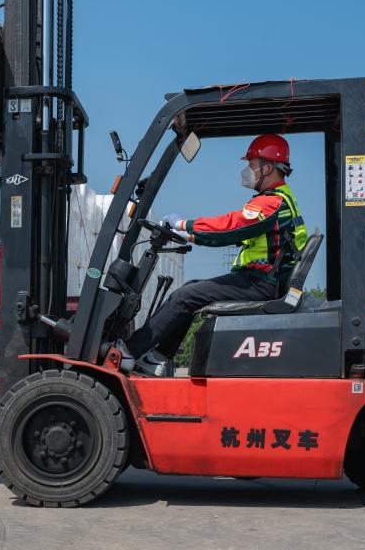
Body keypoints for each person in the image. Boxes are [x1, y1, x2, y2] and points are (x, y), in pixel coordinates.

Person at [123, 133, 308, 374]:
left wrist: (183, 224)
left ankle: (128, 353)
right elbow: (233, 235)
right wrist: (188, 235)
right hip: (262, 280)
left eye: (251, 165)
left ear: (268, 168)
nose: (247, 171)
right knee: (189, 288)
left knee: (184, 296)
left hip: (260, 282)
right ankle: (156, 358)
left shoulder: (272, 203)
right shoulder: (276, 200)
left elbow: (230, 226)